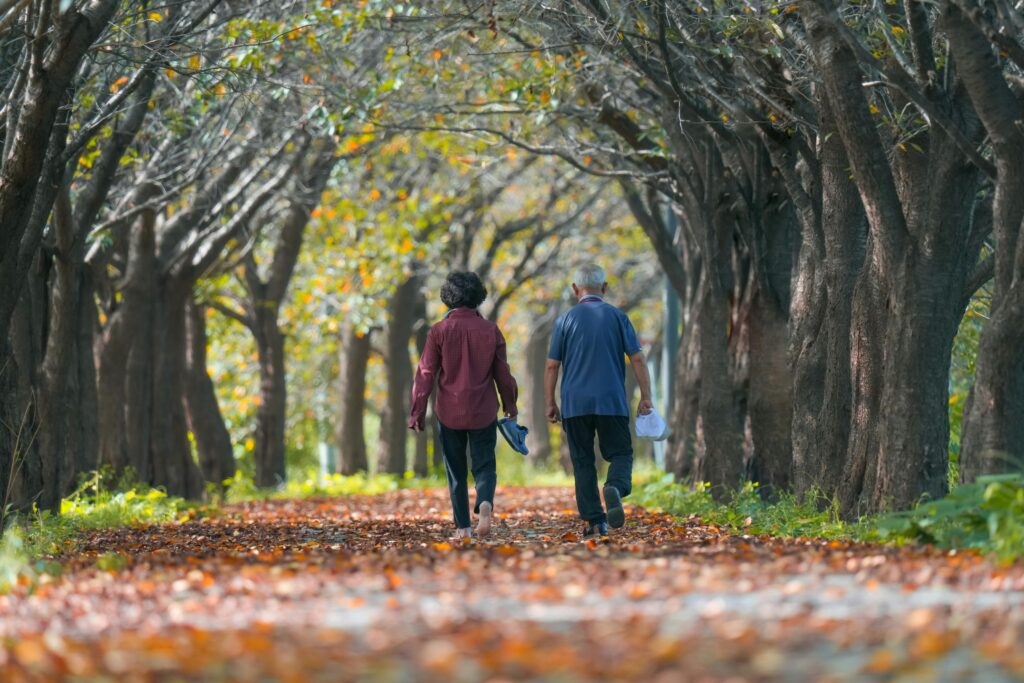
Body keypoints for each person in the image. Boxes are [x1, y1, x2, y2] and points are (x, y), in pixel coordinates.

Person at [545, 264, 653, 538]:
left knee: (582, 461)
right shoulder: (619, 317)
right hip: (611, 400)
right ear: (604, 288)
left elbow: (552, 366)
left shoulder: (564, 320)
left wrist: (550, 402)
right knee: (620, 454)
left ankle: (595, 522)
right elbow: (637, 358)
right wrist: (646, 397)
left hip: (574, 404)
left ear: (575, 290)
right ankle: (615, 486)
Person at [408, 271, 519, 540]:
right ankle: (484, 503)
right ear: (478, 296)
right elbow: (503, 373)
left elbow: (425, 373)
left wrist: (418, 410)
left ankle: (463, 527)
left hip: (450, 412)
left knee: (455, 469)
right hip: (483, 410)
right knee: (485, 465)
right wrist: (510, 405)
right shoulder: (490, 330)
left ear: (448, 297)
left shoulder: (438, 331)